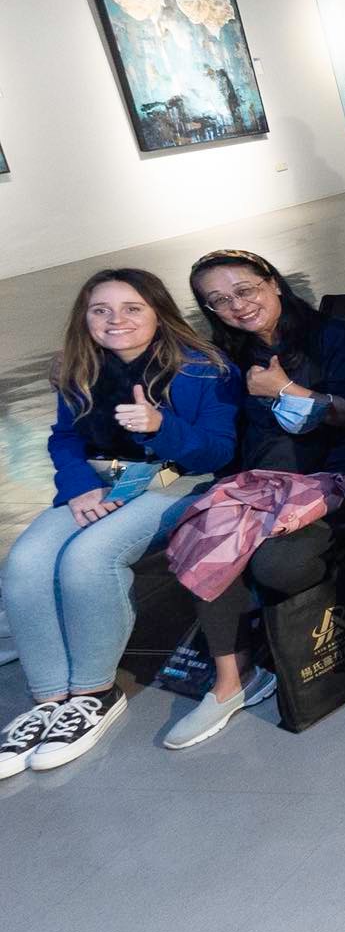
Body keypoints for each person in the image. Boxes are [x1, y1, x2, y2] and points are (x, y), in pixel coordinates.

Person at [1, 270, 238, 779]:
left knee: (89, 558)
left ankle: (94, 693)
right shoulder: (79, 367)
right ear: (84, 318)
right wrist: (77, 486)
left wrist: (161, 426)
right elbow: (65, 438)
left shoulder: (204, 369)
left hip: (178, 481)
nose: (116, 320)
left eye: (132, 308)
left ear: (158, 312)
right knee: (25, 562)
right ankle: (49, 700)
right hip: (101, 483)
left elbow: (220, 452)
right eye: (100, 310)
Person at [169, 249, 345, 749]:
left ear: (273, 283)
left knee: (276, 566)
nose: (237, 305)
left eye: (245, 290)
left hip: (332, 482)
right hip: (258, 486)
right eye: (219, 301)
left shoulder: (335, 338)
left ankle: (286, 630)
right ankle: (232, 680)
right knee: (207, 534)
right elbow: (218, 438)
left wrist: (287, 389)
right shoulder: (224, 359)